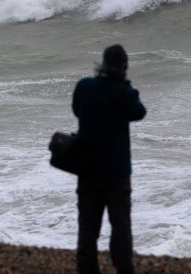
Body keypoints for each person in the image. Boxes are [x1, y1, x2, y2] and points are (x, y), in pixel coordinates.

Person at [72, 43, 146, 274]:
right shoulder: (123, 92)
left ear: (102, 63)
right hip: (117, 171)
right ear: (124, 66)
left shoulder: (84, 86)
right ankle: (124, 269)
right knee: (120, 225)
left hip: (88, 167)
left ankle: (87, 270)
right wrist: (125, 84)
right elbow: (139, 112)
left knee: (88, 227)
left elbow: (77, 110)